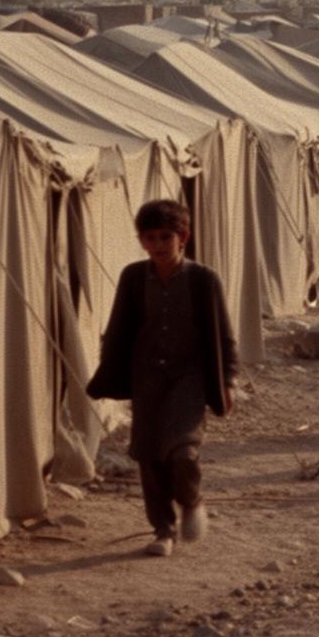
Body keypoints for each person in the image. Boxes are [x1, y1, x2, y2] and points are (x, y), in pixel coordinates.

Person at [87, 199, 239, 558]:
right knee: (149, 456)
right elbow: (119, 328)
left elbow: (224, 334)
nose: (159, 245)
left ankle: (191, 500)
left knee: (183, 451)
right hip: (147, 378)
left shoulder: (204, 280)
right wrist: (110, 372)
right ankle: (163, 529)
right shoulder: (133, 277)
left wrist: (229, 380)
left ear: (182, 237)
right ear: (142, 241)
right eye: (151, 238)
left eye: (166, 237)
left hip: (190, 377)